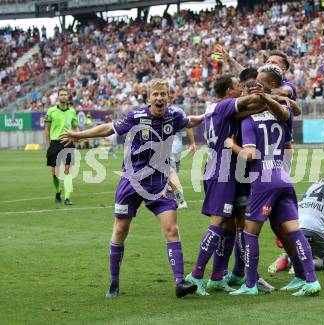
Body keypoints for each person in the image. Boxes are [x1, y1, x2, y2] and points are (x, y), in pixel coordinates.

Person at [59, 79, 204, 299]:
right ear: (148, 98)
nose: (159, 98)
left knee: (172, 229)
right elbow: (109, 128)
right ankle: (114, 282)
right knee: (120, 230)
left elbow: (191, 120)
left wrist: (212, 114)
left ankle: (179, 282)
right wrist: (78, 135)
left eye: (163, 94)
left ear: (169, 96)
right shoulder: (136, 116)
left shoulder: (174, 116)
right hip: (132, 181)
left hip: (159, 182)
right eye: (155, 94)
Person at [227, 69, 320, 296]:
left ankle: (250, 285)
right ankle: (311, 280)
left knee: (249, 233)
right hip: (283, 177)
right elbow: (289, 145)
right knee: (294, 232)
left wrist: (232, 145)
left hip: (263, 179)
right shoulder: (282, 115)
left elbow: (250, 155)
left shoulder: (249, 121)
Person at [185, 74, 277, 295]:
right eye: (238, 86)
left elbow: (250, 110)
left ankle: (217, 276)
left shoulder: (218, 109)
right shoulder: (225, 105)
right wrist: (265, 95)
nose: (241, 88)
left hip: (233, 173)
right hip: (222, 172)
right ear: (228, 91)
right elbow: (247, 104)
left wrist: (271, 102)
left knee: (230, 226)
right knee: (218, 224)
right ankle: (196, 275)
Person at [44, 87, 78, 206]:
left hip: (68, 142)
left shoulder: (72, 112)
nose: (64, 96)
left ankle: (67, 198)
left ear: (68, 97)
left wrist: (75, 136)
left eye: (65, 94)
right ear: (58, 97)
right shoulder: (51, 111)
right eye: (61, 94)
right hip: (54, 143)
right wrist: (48, 144)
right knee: (54, 173)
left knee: (67, 170)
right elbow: (47, 129)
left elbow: (75, 127)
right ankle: (58, 191)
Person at [168, 126, 196, 209]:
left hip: (167, 147)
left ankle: (181, 201)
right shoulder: (178, 112)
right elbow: (188, 125)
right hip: (177, 147)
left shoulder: (157, 114)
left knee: (171, 175)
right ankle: (172, 199)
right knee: (172, 175)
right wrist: (192, 143)